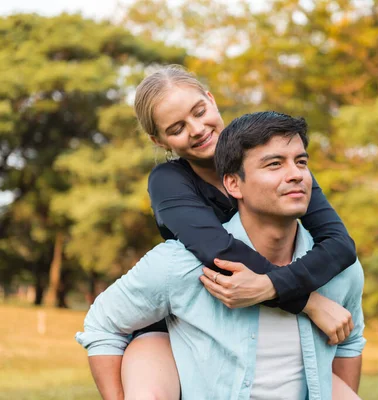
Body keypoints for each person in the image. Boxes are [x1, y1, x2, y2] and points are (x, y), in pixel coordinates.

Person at [89, 65, 360, 399]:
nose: (197, 129)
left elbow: (340, 245)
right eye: (177, 128)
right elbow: (219, 250)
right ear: (159, 140)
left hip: (264, 317)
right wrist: (307, 300)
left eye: (200, 112)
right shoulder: (169, 182)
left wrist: (274, 287)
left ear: (211, 100)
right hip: (193, 322)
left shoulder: (277, 163)